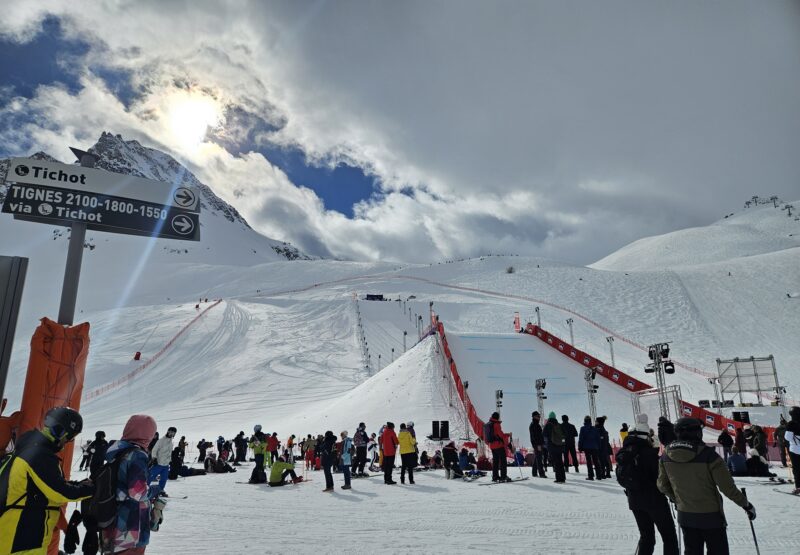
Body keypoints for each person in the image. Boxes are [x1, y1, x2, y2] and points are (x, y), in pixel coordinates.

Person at [0, 407, 95, 555]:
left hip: (18, 538)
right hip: (19, 541)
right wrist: (92, 488)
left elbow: (43, 496)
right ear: (62, 432)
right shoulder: (39, 456)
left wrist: (66, 528)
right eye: (70, 437)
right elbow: (61, 492)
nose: (68, 442)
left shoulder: (29, 450)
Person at [657, 417, 755, 554]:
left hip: (685, 515)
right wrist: (746, 504)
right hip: (711, 517)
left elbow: (662, 485)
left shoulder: (666, 455)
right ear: (697, 433)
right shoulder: (708, 455)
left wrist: (677, 499)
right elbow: (727, 488)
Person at [618, 418, 679, 555]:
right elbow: (662, 481)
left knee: (646, 537)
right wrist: (674, 497)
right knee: (669, 537)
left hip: (634, 500)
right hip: (654, 501)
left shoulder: (624, 453)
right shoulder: (649, 454)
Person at [101, 414, 158, 555]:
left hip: (111, 519)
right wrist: (153, 491)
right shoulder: (137, 455)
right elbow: (137, 492)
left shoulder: (116, 452)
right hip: (130, 527)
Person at [149, 426, 175, 498]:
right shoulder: (161, 440)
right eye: (170, 432)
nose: (171, 434)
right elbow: (154, 450)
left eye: (173, 433)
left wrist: (170, 460)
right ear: (167, 431)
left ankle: (160, 490)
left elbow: (169, 453)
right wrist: (154, 458)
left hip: (166, 465)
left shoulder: (171, 442)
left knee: (164, 479)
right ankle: (144, 489)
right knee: (150, 476)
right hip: (158, 463)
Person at [487, 412, 510, 482]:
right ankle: (503, 476)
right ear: (497, 417)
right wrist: (508, 435)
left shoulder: (489, 424)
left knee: (495, 461)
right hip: (499, 445)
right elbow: (501, 435)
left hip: (492, 446)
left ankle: (495, 476)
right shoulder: (497, 424)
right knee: (503, 461)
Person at [543, 412, 566, 483]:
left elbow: (544, 435)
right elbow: (564, 435)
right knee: (560, 462)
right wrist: (562, 444)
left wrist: (546, 445)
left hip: (552, 446)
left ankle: (558, 478)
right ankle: (563, 477)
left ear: (549, 417)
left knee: (556, 462)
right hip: (560, 446)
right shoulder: (559, 425)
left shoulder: (548, 425)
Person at [578, 415, 602, 481]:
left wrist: (580, 447)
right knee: (596, 461)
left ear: (584, 421)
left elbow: (581, 439)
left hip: (587, 447)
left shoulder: (582, 428)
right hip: (595, 447)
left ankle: (590, 476)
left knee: (589, 462)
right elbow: (598, 439)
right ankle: (599, 476)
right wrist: (599, 447)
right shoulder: (595, 429)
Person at [785, 406, 800, 494]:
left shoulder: (791, 424)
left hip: (795, 449)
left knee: (797, 469)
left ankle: (798, 486)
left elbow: (788, 437)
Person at [528, 411, 546, 478]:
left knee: (537, 457)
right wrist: (538, 444)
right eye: (538, 416)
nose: (539, 417)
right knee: (539, 458)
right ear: (534, 417)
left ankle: (534, 472)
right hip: (537, 444)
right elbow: (534, 436)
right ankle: (541, 473)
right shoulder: (533, 425)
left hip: (539, 443)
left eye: (539, 416)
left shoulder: (536, 424)